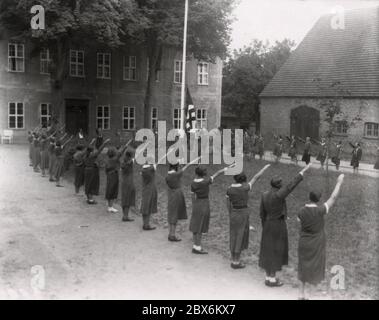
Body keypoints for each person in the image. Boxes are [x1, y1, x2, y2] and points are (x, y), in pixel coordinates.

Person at [259, 163, 312, 287]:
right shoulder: (279, 194)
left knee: (268, 250)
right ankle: (273, 279)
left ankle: (268, 277)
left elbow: (262, 213)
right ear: (279, 186)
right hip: (278, 225)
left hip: (267, 225)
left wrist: (264, 225)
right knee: (276, 251)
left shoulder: (264, 195)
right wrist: (303, 171)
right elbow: (291, 185)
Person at [297, 174, 345, 300]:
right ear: (318, 199)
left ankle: (301, 294)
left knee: (302, 266)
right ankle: (311, 295)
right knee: (315, 267)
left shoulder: (301, 210)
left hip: (303, 242)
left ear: (309, 198)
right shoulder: (320, 210)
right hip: (316, 243)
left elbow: (299, 221)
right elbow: (333, 198)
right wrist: (339, 182)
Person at [226, 164, 271, 269]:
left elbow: (228, 204)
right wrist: (263, 168)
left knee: (233, 235)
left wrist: (230, 213)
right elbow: (256, 177)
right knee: (240, 236)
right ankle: (236, 262)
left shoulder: (229, 189)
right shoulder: (245, 187)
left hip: (233, 213)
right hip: (243, 213)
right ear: (243, 180)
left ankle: (233, 259)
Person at [190, 164, 233, 254]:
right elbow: (216, 174)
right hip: (204, 204)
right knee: (200, 226)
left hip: (196, 204)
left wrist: (194, 205)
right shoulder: (206, 181)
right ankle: (197, 247)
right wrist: (225, 169)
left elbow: (192, 195)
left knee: (196, 225)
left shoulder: (193, 182)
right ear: (203, 173)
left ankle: (195, 245)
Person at [166, 157, 200, 242]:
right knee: (174, 215)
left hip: (171, 195)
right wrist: (193, 161)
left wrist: (179, 164)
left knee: (171, 214)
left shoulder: (168, 176)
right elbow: (186, 167)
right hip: (177, 195)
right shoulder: (176, 174)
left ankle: (171, 233)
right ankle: (172, 235)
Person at [104, 141, 131, 213]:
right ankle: (110, 207)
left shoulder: (108, 160)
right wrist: (126, 145)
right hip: (113, 176)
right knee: (113, 190)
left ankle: (109, 205)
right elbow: (121, 152)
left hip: (109, 175)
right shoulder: (114, 159)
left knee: (110, 189)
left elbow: (106, 170)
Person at [84, 138, 110, 204]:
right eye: (93, 149)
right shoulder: (92, 155)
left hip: (87, 170)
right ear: (91, 151)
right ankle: (90, 200)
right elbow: (99, 150)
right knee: (91, 184)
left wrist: (92, 142)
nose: (93, 150)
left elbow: (88, 148)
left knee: (87, 184)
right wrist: (105, 143)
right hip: (92, 171)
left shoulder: (86, 154)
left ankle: (88, 198)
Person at [140, 158, 158, 231]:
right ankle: (146, 225)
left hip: (145, 190)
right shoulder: (151, 169)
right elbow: (153, 168)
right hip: (150, 190)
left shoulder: (143, 170)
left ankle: (145, 224)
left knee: (145, 207)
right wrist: (154, 165)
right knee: (148, 207)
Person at [120, 149, 136, 222]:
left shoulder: (123, 162)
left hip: (124, 182)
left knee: (124, 198)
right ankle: (126, 216)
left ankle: (124, 215)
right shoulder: (129, 162)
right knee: (127, 199)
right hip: (129, 182)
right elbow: (130, 162)